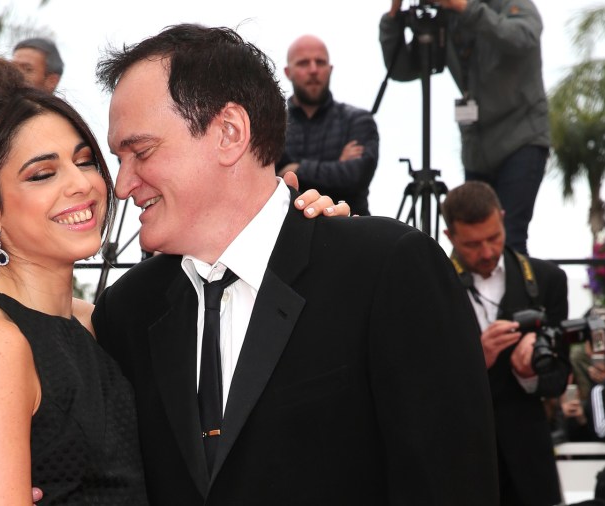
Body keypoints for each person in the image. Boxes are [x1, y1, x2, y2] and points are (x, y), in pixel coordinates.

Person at [91, 23, 497, 504]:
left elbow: (452, 484)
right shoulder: (125, 313)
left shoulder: (385, 271)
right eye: (119, 158)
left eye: (140, 151)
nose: (122, 185)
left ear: (229, 133)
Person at [0, 51, 346, 503]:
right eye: (43, 173)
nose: (82, 184)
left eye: (85, 161)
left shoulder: (106, 320)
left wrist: (302, 234)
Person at [380, 0, 550, 254]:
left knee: (507, 238)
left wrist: (464, 7)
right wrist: (393, 17)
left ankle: (513, 293)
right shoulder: (447, 19)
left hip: (522, 138)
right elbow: (402, 68)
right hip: (477, 148)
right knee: (470, 241)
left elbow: (521, 38)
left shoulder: (512, 4)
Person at [442, 181, 567, 505]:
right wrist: (476, 359)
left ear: (502, 218)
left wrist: (530, 373)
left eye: (494, 237)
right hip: (461, 460)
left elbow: (558, 379)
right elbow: (420, 382)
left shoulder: (547, 279)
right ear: (449, 237)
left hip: (531, 464)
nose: (486, 252)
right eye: (471, 244)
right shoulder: (432, 286)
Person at [276, 34, 380, 216]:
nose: (313, 70)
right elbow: (269, 181)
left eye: (320, 62)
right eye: (303, 63)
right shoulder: (273, 124)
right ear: (287, 72)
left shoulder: (358, 120)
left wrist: (296, 169)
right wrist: (335, 166)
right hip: (287, 234)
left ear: (330, 69)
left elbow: (355, 177)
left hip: (348, 231)